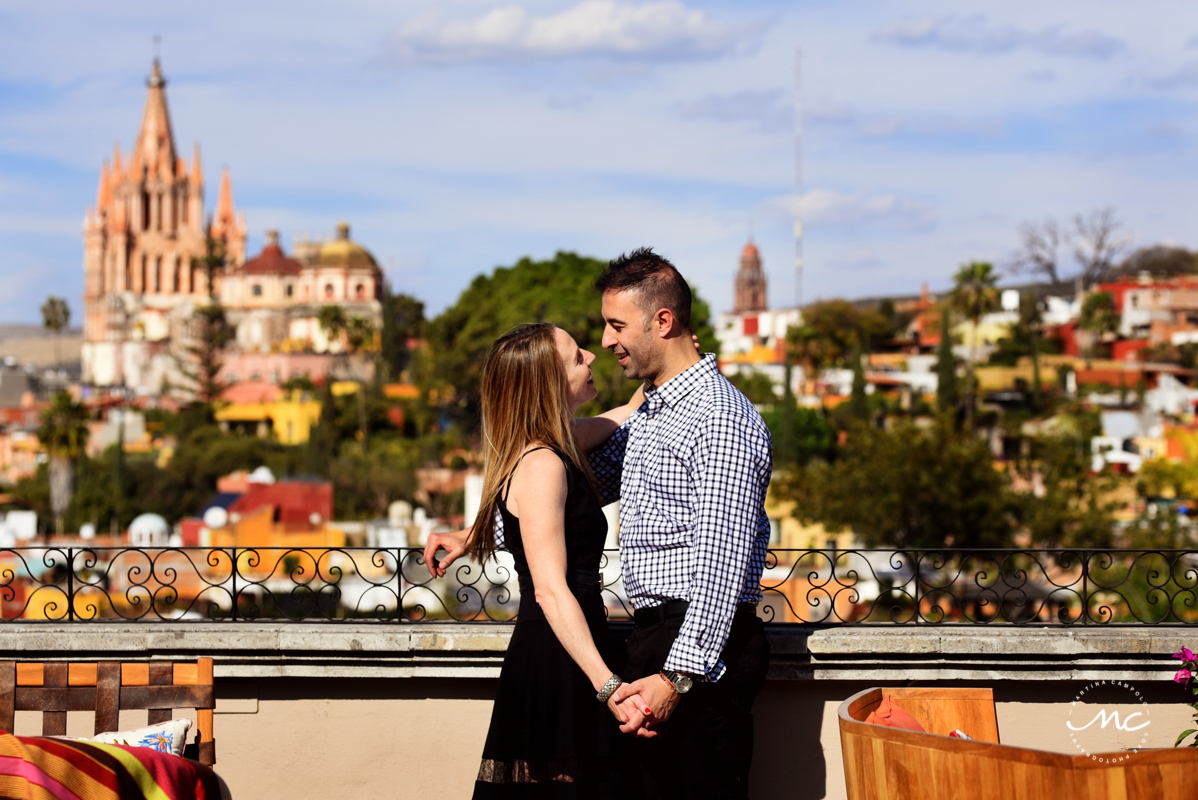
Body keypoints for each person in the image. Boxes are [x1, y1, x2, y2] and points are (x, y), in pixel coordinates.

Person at [589, 248, 773, 800]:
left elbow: (723, 561)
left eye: (616, 325)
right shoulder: (651, 411)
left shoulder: (719, 417)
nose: (605, 341)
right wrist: (482, 533)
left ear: (663, 321)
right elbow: (586, 488)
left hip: (695, 649)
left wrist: (676, 678)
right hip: (654, 640)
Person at [459, 322, 654, 799]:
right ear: (548, 382)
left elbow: (626, 413)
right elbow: (549, 589)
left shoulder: (557, 445)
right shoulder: (543, 464)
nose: (591, 356)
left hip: (573, 649)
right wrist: (608, 686)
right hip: (559, 658)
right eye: (575, 356)